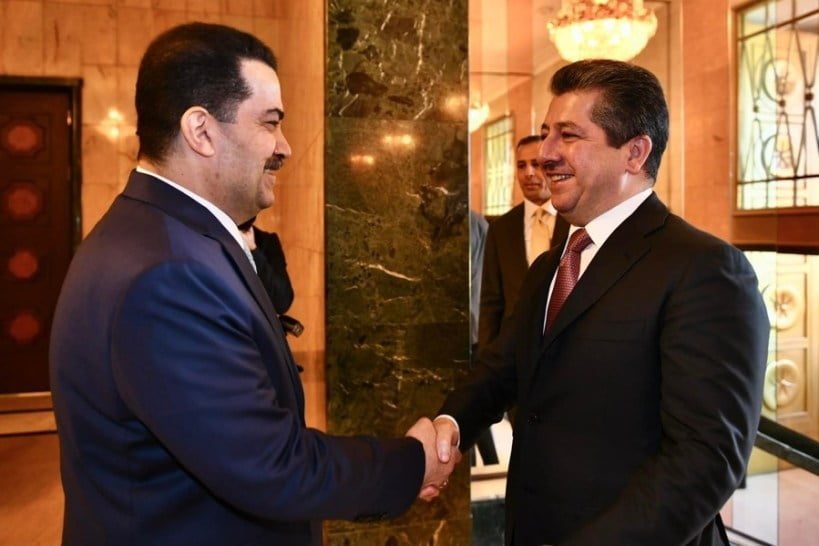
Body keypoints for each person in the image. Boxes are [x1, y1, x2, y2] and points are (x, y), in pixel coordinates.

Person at [49, 23, 454, 546]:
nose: (285, 147)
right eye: (270, 123)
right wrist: (413, 462)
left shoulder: (160, 233)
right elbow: (272, 465)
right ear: (201, 131)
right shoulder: (167, 274)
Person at [431, 60, 769, 545]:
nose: (545, 154)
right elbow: (503, 367)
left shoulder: (705, 269)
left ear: (635, 153)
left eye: (568, 135)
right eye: (546, 134)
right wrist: (449, 424)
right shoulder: (551, 265)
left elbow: (704, 461)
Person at [479, 135, 569, 348]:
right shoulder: (500, 228)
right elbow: (491, 301)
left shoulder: (575, 222)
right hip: (512, 350)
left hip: (563, 347)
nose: (528, 173)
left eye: (536, 164)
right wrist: (487, 355)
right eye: (521, 166)